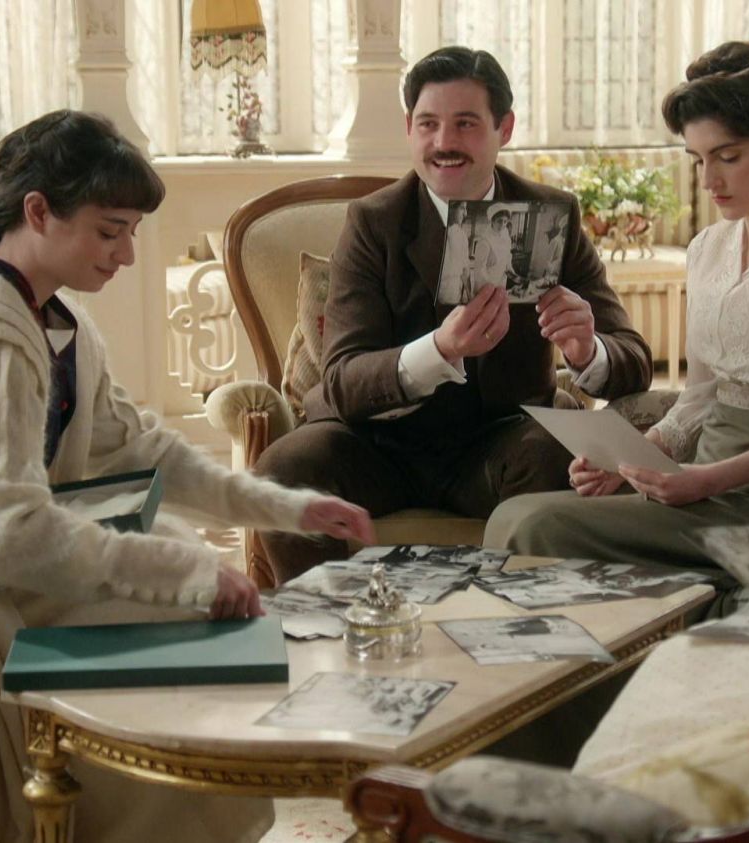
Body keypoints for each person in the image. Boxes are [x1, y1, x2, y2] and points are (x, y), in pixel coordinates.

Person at [0, 110, 374, 843]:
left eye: (131, 231)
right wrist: (186, 576)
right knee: (185, 606)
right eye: (110, 231)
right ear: (38, 211)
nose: (127, 254)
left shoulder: (49, 315)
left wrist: (286, 507)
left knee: (176, 549)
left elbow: (143, 450)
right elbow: (4, 534)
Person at [486, 41, 749, 611]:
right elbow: (700, 398)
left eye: (728, 157)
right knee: (513, 516)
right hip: (703, 483)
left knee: (533, 526)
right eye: (697, 160)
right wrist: (630, 463)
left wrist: (705, 480)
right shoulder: (708, 248)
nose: (709, 179)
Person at [254, 46, 652, 582]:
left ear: (504, 128)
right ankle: (324, 620)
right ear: (409, 129)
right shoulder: (373, 222)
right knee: (282, 472)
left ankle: (522, 620)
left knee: (559, 456)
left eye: (465, 124)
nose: (444, 143)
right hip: (377, 445)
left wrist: (588, 350)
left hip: (500, 444)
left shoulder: (550, 215)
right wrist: (440, 349)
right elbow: (344, 381)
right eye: (428, 124)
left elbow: (634, 361)